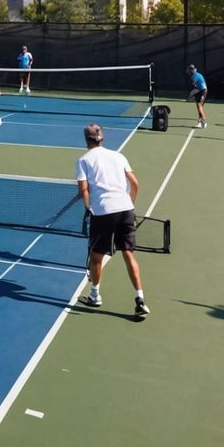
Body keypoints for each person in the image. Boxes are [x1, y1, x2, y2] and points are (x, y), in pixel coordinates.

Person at [76, 122, 149, 319]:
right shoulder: (119, 155)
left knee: (96, 256)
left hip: (103, 212)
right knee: (129, 254)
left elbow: (83, 189)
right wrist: (129, 202)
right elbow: (134, 182)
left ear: (86, 140)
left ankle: (95, 296)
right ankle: (140, 298)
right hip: (126, 209)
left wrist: (89, 208)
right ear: (102, 138)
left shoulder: (83, 160)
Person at [186, 64, 208, 128]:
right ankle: (200, 121)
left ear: (192, 70)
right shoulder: (194, 75)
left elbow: (194, 85)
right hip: (199, 91)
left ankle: (204, 122)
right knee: (198, 107)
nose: (189, 70)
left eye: (191, 69)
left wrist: (191, 94)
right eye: (190, 69)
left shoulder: (195, 75)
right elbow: (195, 86)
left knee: (200, 106)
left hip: (203, 91)